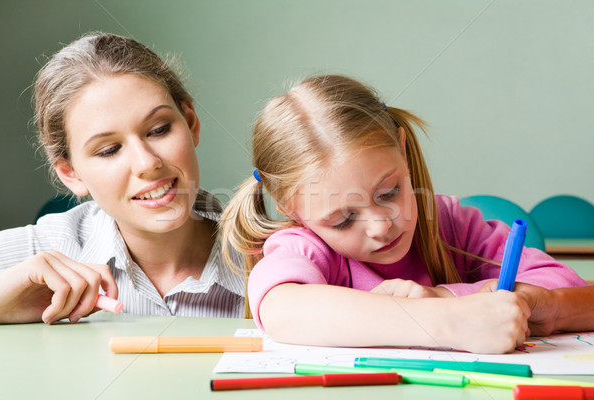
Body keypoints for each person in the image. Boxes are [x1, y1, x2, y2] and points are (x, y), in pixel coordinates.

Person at [220, 74, 586, 354]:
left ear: (403, 149)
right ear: (292, 211)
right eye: (343, 220)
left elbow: (568, 288)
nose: (380, 226)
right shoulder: (305, 247)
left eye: (389, 192)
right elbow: (281, 307)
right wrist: (446, 321)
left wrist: (444, 297)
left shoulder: (449, 224)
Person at [0, 33, 245, 324]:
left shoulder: (275, 255)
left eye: (159, 129)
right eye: (109, 150)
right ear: (70, 173)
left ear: (190, 123)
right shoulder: (42, 252)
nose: (147, 163)